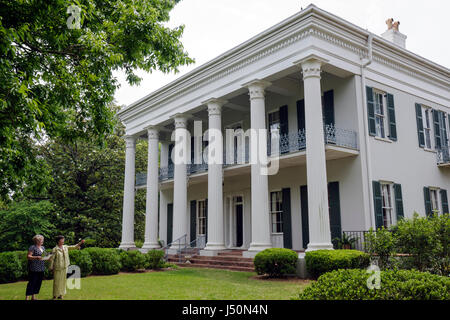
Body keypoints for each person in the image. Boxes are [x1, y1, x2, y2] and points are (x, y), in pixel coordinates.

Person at [26, 235, 46, 300]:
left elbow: (44, 256)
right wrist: (36, 257)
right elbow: (28, 256)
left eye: (42, 239)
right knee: (32, 282)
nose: (42, 241)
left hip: (41, 267)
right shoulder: (32, 247)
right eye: (41, 240)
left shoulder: (43, 248)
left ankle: (33, 297)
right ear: (37, 241)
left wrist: (49, 256)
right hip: (34, 268)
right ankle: (27, 297)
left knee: (38, 283)